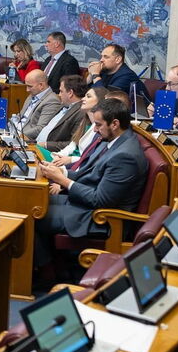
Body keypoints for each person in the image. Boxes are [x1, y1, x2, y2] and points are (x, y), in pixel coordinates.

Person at [35, 99, 148, 265]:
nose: (94, 129)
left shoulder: (126, 156)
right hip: (87, 204)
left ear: (115, 124)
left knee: (34, 214)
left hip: (101, 219)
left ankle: (45, 272)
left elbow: (100, 200)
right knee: (34, 201)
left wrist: (63, 180)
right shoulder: (114, 140)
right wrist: (60, 172)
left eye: (98, 124)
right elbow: (89, 174)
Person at [49, 87, 107, 163]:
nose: (83, 99)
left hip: (75, 166)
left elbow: (91, 159)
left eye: (88, 96)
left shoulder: (101, 128)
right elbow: (73, 144)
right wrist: (59, 155)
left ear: (100, 101)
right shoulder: (85, 121)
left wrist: (70, 160)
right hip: (64, 160)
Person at [37, 75, 89, 149]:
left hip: (49, 153)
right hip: (36, 145)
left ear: (70, 93)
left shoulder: (81, 113)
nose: (59, 95)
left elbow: (73, 143)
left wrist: (45, 145)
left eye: (61, 91)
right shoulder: (62, 105)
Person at [14, 69, 62, 140]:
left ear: (41, 85)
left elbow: (40, 128)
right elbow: (20, 117)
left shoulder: (52, 100)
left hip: (26, 138)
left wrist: (19, 135)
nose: (27, 90)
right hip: (15, 132)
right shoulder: (32, 94)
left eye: (30, 86)